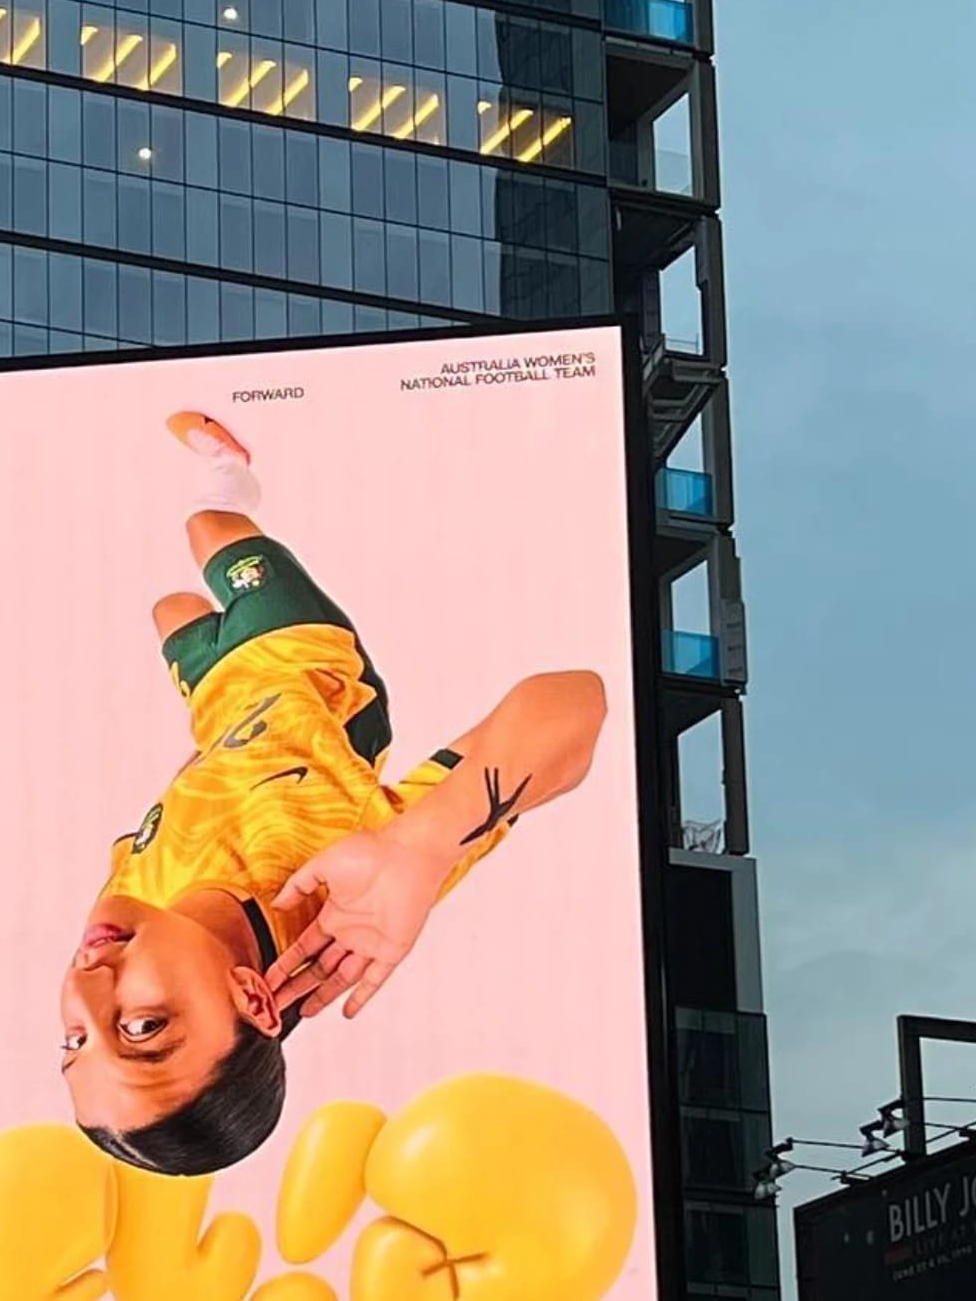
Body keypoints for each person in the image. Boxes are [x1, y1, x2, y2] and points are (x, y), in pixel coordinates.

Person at [58, 411, 608, 1174]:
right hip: (305, 661)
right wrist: (424, 843)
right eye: (144, 1027)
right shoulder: (350, 891)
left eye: (75, 1042)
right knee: (207, 525)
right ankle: (232, 473)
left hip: (219, 701)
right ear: (254, 999)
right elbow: (577, 702)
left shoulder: (116, 925)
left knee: (170, 610)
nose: (87, 991)